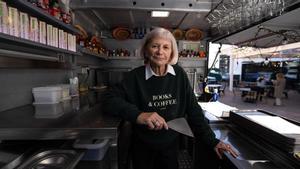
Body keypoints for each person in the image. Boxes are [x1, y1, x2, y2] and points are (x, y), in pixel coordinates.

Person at [104, 27, 238, 169]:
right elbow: (109, 100)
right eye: (154, 46)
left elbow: (194, 110)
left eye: (166, 47)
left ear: (171, 53)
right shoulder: (135, 76)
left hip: (170, 146)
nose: (160, 51)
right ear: (146, 50)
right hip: (141, 146)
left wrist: (213, 141)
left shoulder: (179, 75)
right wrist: (139, 115)